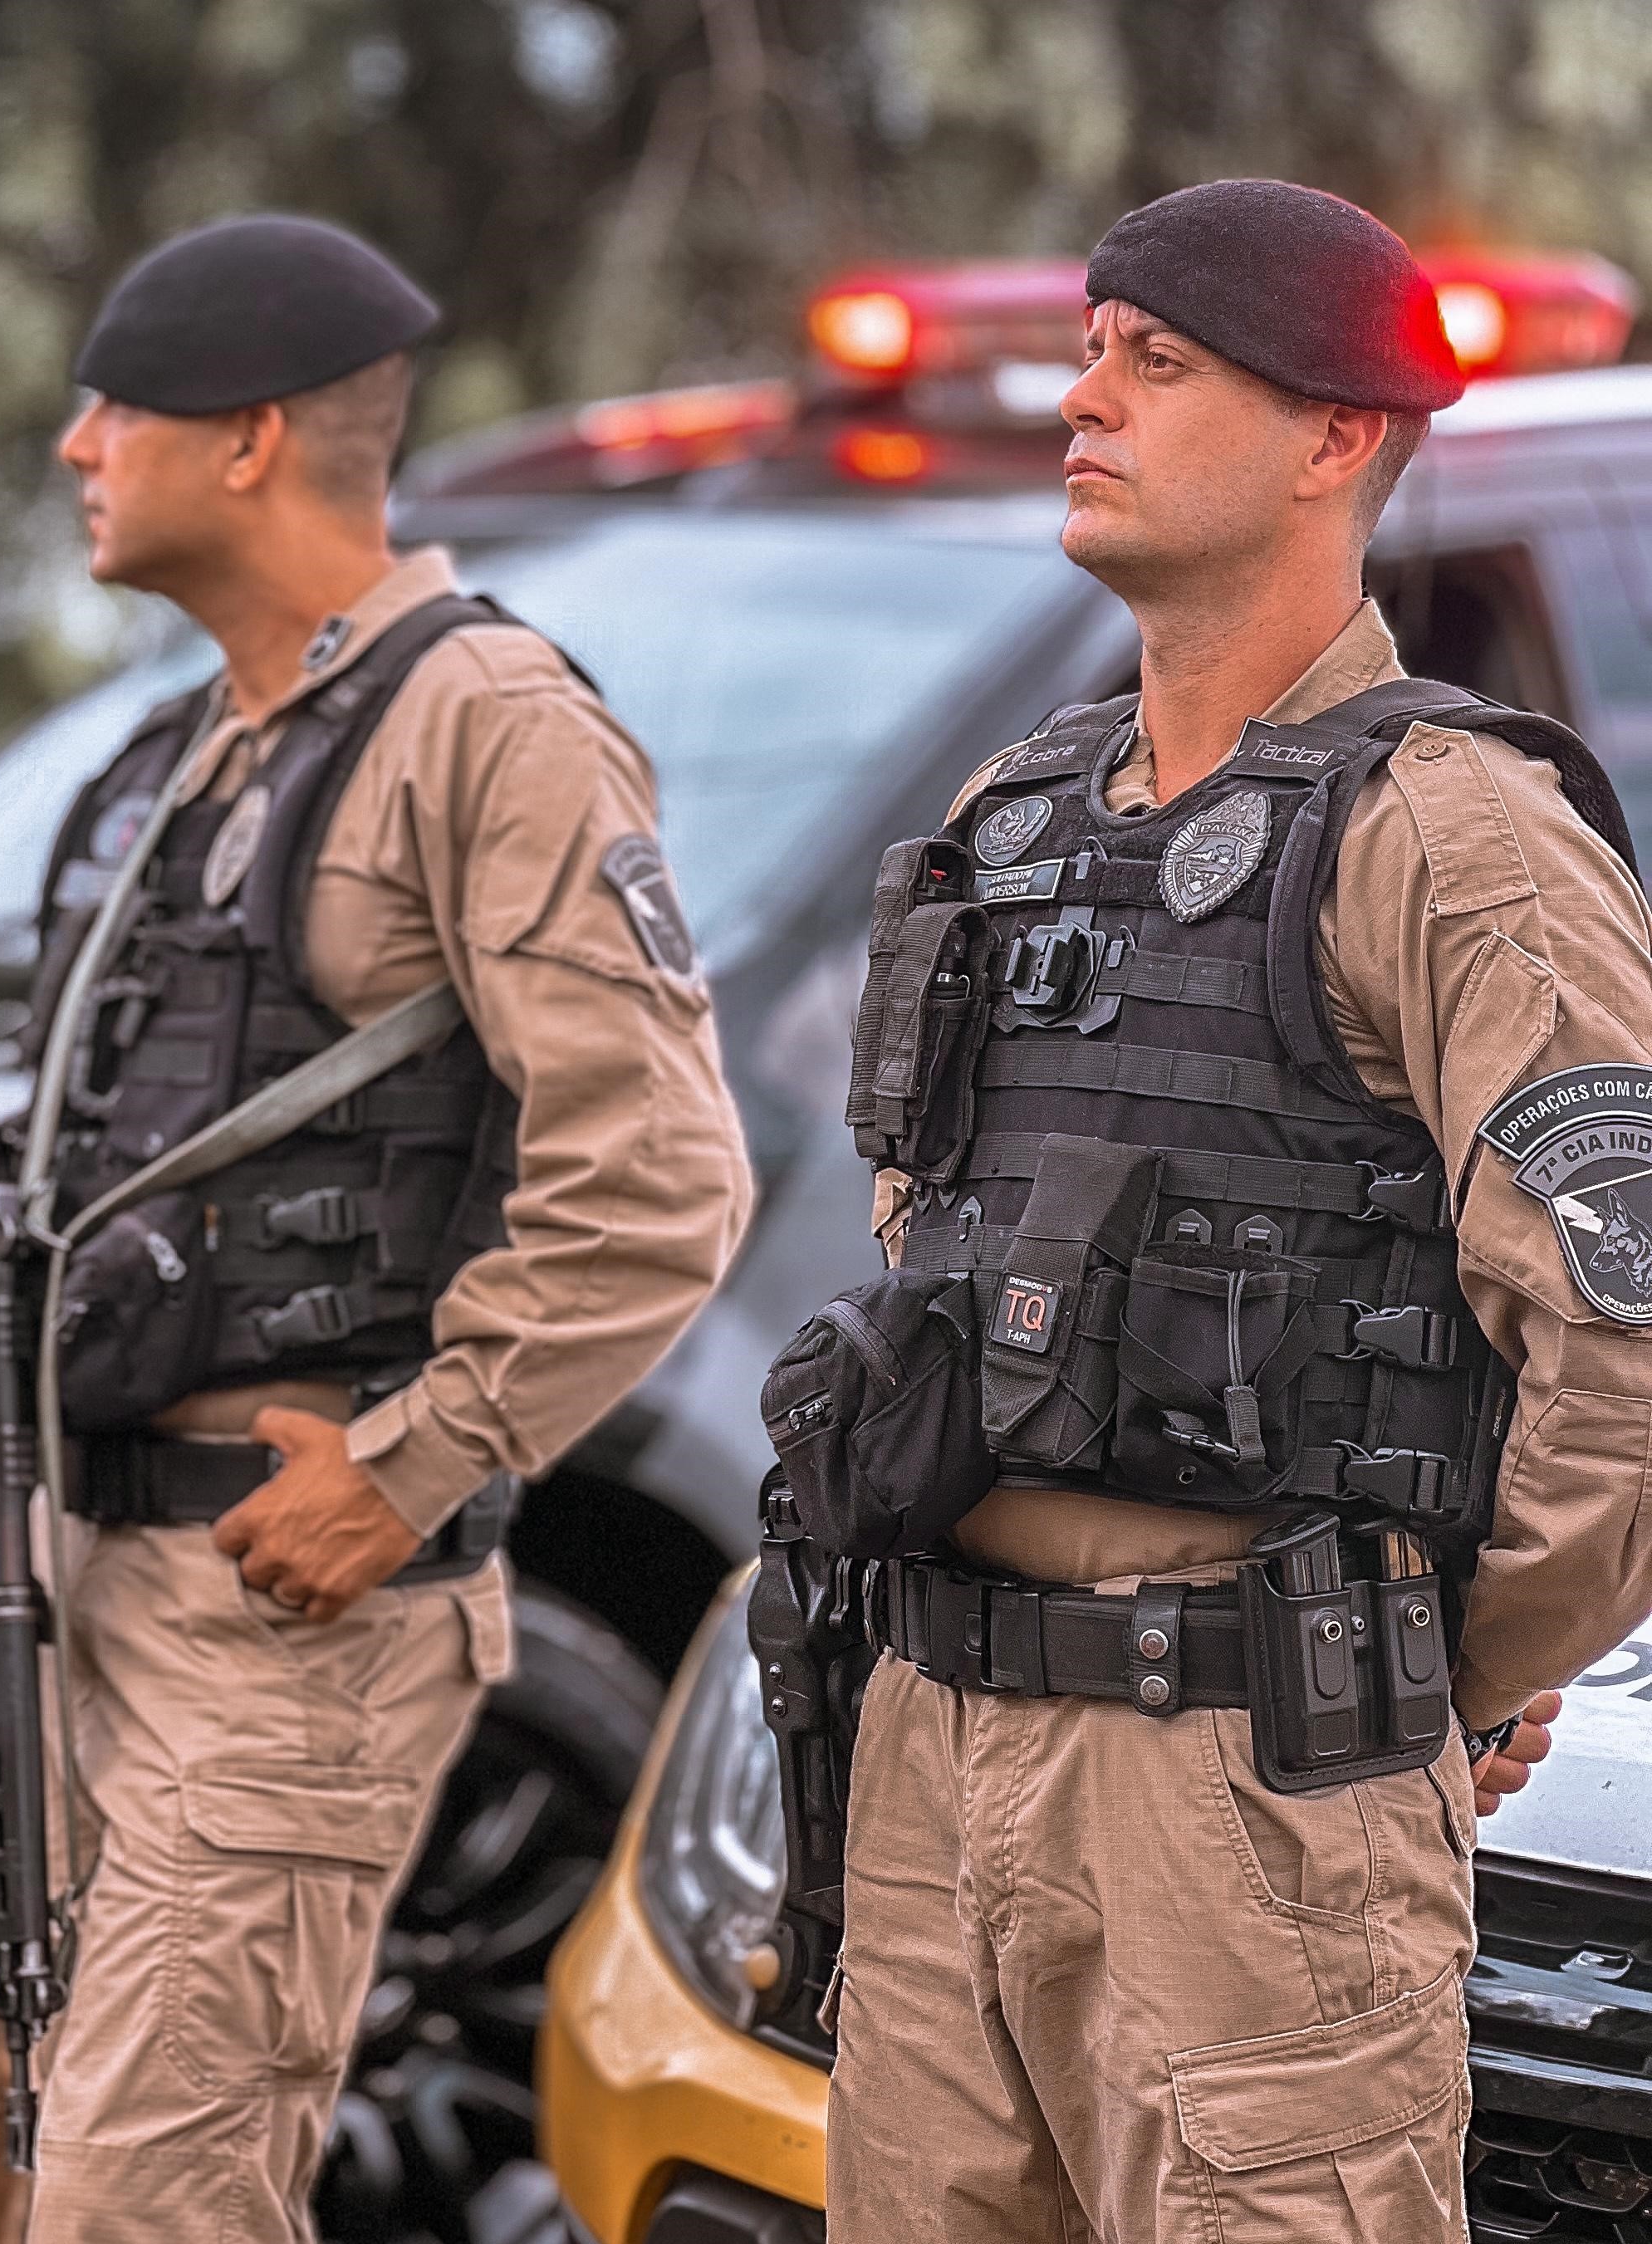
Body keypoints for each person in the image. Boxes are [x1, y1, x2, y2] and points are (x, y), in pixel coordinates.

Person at [0, 213, 752, 2242]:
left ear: (253, 436)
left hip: (281, 1622)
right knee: (82, 2187)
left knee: (142, 2210)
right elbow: (64, 1196)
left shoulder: (487, 724)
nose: (76, 448)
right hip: (88, 1586)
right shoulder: (184, 754)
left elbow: (659, 1174)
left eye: (117, 407)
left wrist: (418, 1458)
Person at [805, 179, 1630, 2240]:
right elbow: (928, 1235)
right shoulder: (1013, 820)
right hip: (934, 1767)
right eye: (1091, 351)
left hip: (1249, 1803)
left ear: (1336, 434)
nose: (1084, 401)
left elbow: (1622, 1342)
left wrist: (1436, 1664)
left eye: (1157, 365)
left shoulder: (1456, 835)